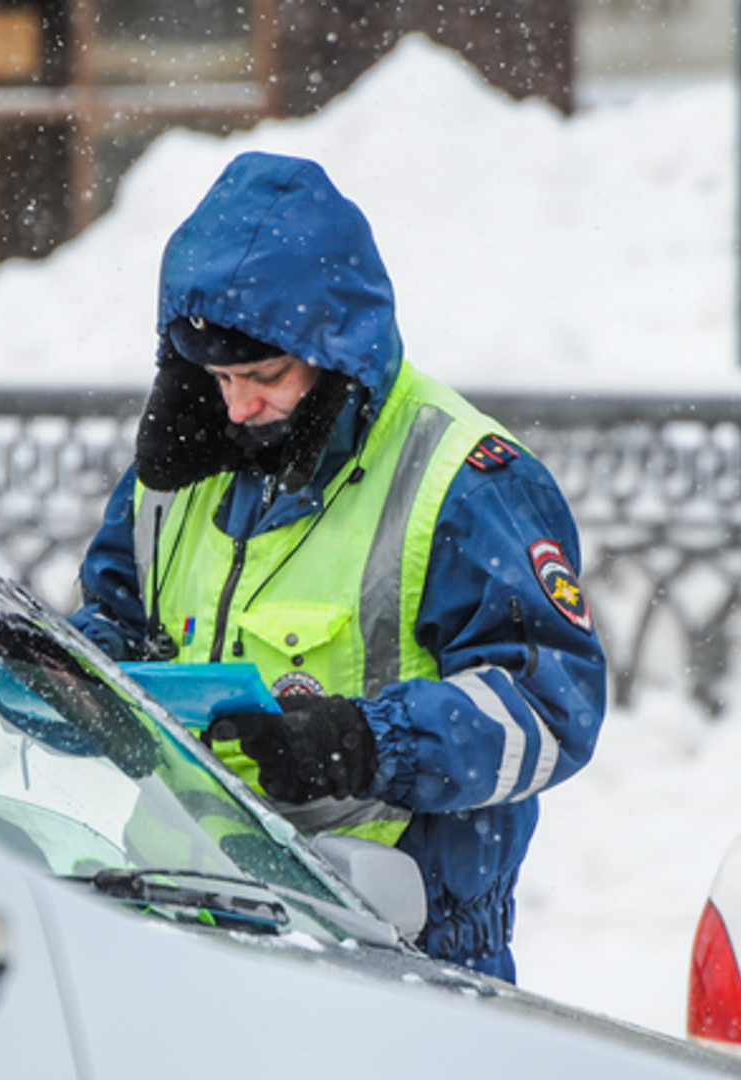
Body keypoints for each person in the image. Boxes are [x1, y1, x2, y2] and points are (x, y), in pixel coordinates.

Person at [69, 151, 606, 980]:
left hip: (398, 951)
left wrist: (367, 743)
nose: (237, 406)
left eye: (264, 375)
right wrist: (75, 679)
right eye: (215, 378)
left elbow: (552, 707)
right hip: (182, 926)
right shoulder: (175, 477)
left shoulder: (463, 480)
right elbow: (115, 620)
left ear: (337, 350)